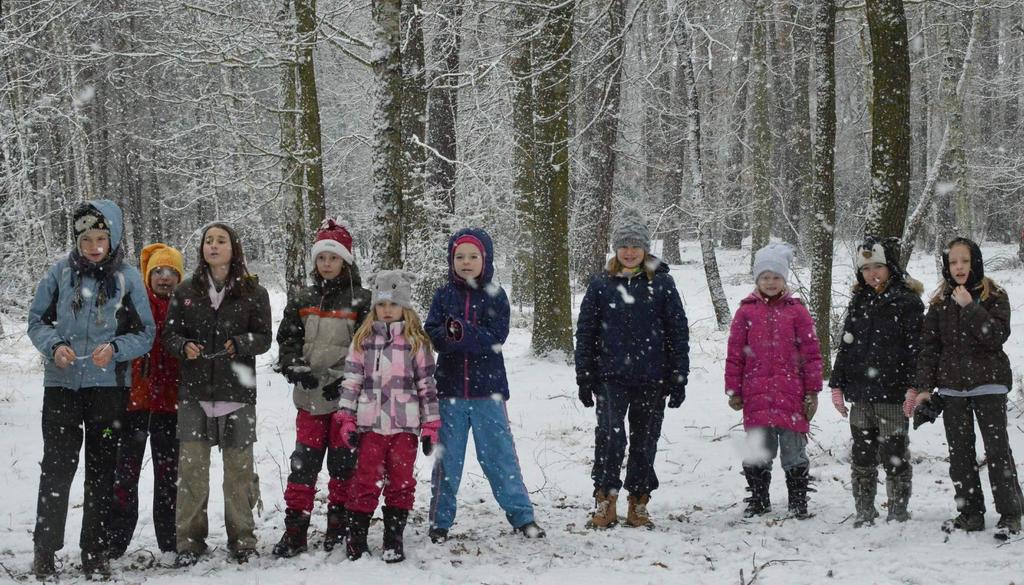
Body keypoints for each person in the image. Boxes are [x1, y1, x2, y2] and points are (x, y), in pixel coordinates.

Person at [27, 199, 156, 578]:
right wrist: (55, 347)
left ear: (113, 238)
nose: (94, 246)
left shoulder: (128, 278)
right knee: (56, 468)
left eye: (101, 238)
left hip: (108, 390)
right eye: (86, 239)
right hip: (62, 388)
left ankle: (95, 552)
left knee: (101, 472)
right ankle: (44, 550)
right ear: (77, 241)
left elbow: (145, 332)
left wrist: (116, 350)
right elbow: (36, 322)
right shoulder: (59, 274)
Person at [162, 222, 272, 565]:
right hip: (195, 395)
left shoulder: (253, 292)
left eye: (220, 241)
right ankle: (190, 543)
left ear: (233, 248)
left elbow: (265, 337)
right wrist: (184, 347)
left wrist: (240, 343)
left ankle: (242, 540)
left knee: (238, 473)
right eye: (208, 241)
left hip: (238, 394)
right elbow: (169, 337)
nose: (213, 246)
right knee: (193, 472)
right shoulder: (185, 291)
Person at [426, 228, 545, 542]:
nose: (466, 262)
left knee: (499, 457)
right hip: (449, 391)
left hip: (487, 391)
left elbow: (496, 336)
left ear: (485, 259)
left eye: (473, 256)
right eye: (460, 256)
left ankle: (522, 516)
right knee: (447, 459)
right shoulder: (443, 295)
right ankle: (439, 521)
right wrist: (450, 337)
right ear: (452, 260)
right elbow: (433, 334)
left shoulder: (496, 294)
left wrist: (462, 333)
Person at [575, 209, 689, 529]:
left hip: (652, 378)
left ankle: (638, 501)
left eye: (635, 245)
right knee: (610, 438)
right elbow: (586, 331)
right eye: (623, 245)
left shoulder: (662, 284)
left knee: (645, 440)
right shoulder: (601, 284)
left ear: (646, 248)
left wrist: (679, 376)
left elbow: (678, 331)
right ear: (615, 248)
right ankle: (605, 499)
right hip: (610, 377)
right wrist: (584, 375)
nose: (629, 251)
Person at [913, 237, 1023, 540]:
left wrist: (970, 307)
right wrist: (924, 388)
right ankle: (971, 513)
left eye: (964, 260)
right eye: (953, 262)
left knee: (997, 451)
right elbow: (929, 348)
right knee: (960, 454)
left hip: (989, 386)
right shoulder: (938, 302)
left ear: (975, 261)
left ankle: (1011, 514)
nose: (959, 267)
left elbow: (995, 336)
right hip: (952, 390)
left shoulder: (994, 295)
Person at [272, 219, 370, 557]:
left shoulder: (361, 300)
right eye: (321, 258)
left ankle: (338, 525)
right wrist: (294, 367)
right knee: (304, 463)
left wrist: (346, 381)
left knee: (344, 465)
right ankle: (295, 528)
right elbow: (287, 339)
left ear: (346, 261)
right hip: (310, 397)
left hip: (347, 399)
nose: (327, 264)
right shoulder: (302, 297)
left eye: (334, 257)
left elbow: (368, 347)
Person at [335, 270, 440, 562]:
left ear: (404, 306)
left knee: (402, 481)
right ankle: (356, 537)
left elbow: (427, 385)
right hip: (370, 426)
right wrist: (346, 417)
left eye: (393, 304)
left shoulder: (416, 343)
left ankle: (393, 538)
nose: (387, 310)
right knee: (365, 479)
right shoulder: (363, 341)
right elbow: (351, 382)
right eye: (381, 304)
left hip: (405, 427)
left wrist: (431, 423)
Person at [829, 236, 923, 527]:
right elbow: (846, 346)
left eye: (878, 266)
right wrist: (837, 384)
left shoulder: (907, 301)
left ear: (890, 267)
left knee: (895, 454)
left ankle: (898, 511)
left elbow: (916, 348)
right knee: (863, 455)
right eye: (866, 268)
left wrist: (913, 386)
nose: (873, 273)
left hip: (894, 396)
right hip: (861, 394)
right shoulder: (860, 300)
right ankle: (864, 511)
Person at [725, 243, 821, 519]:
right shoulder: (745, 312)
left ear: (785, 279)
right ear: (756, 279)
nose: (770, 282)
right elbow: (734, 354)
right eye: (765, 277)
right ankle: (758, 498)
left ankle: (798, 500)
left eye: (776, 277)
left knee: (794, 452)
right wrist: (734, 389)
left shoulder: (797, 311)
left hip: (792, 396)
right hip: (756, 397)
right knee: (758, 451)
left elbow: (812, 354)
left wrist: (812, 391)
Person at [109, 243, 186, 558]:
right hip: (134, 404)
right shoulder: (132, 305)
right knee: (124, 475)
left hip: (172, 405)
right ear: (147, 274)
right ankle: (116, 539)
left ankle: (170, 540)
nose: (164, 278)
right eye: (158, 271)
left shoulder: (186, 306)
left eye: (171, 272)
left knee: (169, 477)